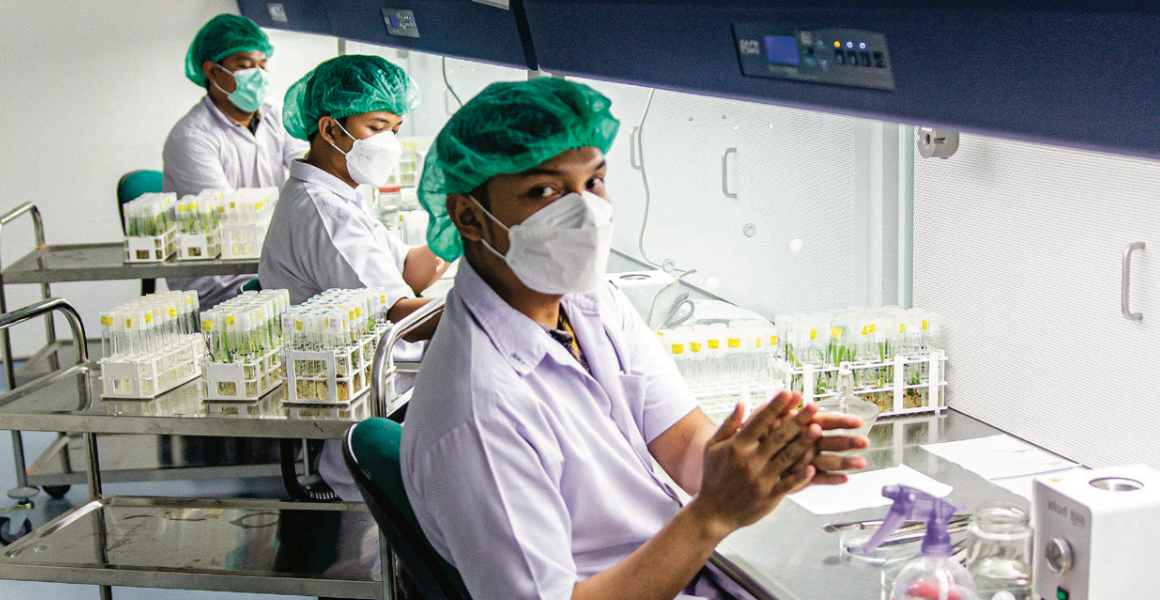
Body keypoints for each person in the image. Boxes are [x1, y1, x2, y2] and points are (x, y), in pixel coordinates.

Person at [400, 78, 870, 600]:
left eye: (594, 182)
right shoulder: (477, 412)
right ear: (469, 217)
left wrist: (757, 462)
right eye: (545, 192)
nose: (584, 212)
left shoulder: (589, 301)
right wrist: (712, 514)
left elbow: (682, 442)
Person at [260, 54, 449, 500]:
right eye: (376, 127)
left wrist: (458, 227)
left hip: (382, 385)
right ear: (330, 129)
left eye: (395, 130)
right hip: (370, 406)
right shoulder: (323, 212)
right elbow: (402, 317)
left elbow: (408, 272)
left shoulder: (340, 194)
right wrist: (496, 306)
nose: (389, 143)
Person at [163, 13, 308, 308]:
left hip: (268, 261)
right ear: (212, 71)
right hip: (220, 281)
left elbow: (309, 173)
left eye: (262, 65)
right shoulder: (191, 137)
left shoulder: (276, 116)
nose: (258, 75)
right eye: (245, 66)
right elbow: (229, 216)